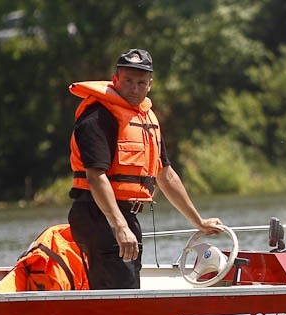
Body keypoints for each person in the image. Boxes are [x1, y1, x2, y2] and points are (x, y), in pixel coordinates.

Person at [68, 48, 223, 289]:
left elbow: (166, 175)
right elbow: (96, 177)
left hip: (125, 216)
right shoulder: (98, 116)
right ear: (115, 80)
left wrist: (198, 221)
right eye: (128, 81)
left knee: (128, 285)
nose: (134, 88)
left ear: (149, 85)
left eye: (141, 83)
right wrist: (119, 226)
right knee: (122, 291)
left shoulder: (146, 118)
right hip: (97, 214)